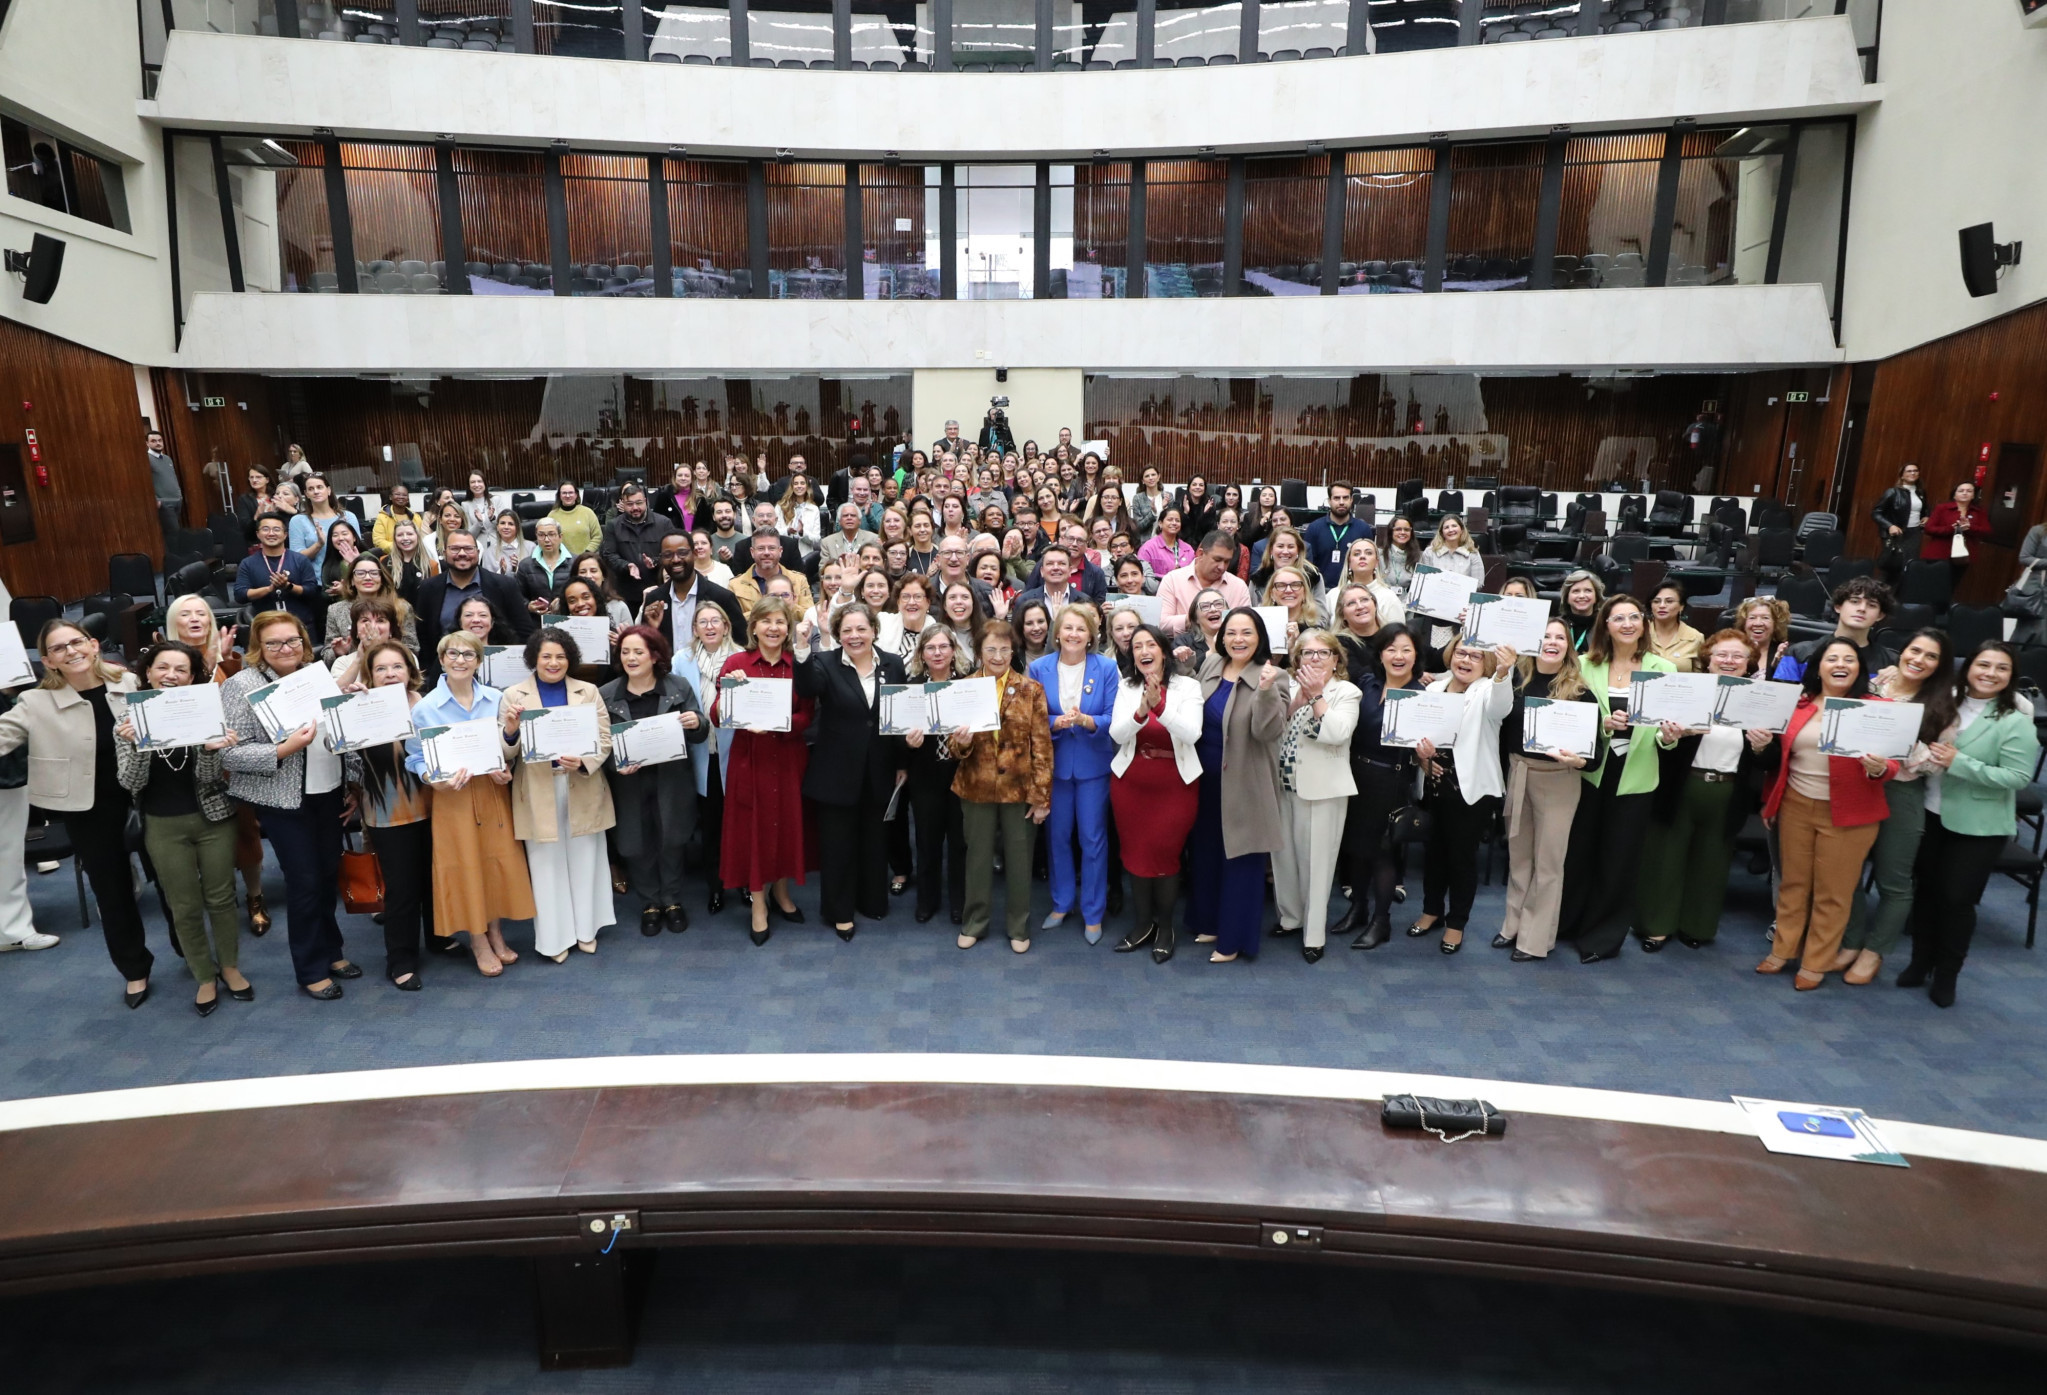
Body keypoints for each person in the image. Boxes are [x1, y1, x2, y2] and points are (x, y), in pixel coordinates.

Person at [0, 622, 148, 997]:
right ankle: (134, 968)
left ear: (94, 644)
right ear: (48, 661)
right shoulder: (34, 703)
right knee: (113, 893)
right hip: (88, 810)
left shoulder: (127, 684)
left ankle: (192, 957)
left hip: (146, 799)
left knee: (173, 887)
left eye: (76, 642)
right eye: (58, 648)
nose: (71, 651)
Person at [220, 612, 358, 1001]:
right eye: (274, 643)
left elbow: (340, 732)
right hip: (283, 800)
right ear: (258, 649)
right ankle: (310, 968)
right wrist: (283, 749)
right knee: (304, 883)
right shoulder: (241, 685)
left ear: (304, 642)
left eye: (293, 641)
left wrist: (353, 783)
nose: (286, 649)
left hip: (329, 789)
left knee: (329, 875)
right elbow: (231, 755)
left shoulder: (317, 676)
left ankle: (332, 953)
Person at [1901, 640, 2039, 1007]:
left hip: (1980, 825)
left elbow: (2017, 777)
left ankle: (1947, 975)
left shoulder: (2015, 719)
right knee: (1926, 891)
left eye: (2001, 668)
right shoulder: (1948, 700)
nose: (1990, 674)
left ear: (2011, 676)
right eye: (1984, 665)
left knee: (1957, 899)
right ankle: (1919, 962)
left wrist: (1959, 763)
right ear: (1969, 666)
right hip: (1930, 811)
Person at [1757, 638, 1897, 991]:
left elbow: (1894, 762)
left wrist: (1880, 767)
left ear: (1859, 668)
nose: (1840, 664)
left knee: (1833, 893)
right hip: (1796, 805)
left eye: (1849, 659)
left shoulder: (1875, 707)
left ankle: (1817, 961)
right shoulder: (1798, 705)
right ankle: (1783, 949)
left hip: (1851, 814)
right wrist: (1771, 802)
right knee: (1793, 883)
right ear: (1817, 667)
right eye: (1832, 658)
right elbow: (1780, 763)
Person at [117, 642, 249, 1010]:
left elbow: (209, 779)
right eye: (163, 668)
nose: (170, 676)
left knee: (222, 898)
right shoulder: (128, 720)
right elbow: (130, 783)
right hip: (162, 825)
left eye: (181, 670)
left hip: (213, 818)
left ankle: (230, 967)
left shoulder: (205, 712)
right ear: (147, 672)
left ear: (193, 677)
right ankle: (204, 976)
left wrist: (210, 750)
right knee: (184, 905)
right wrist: (139, 746)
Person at [1633, 630, 1773, 954]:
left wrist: (1763, 747)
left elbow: (1770, 758)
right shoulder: (1687, 692)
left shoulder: (1758, 700)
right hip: (1682, 787)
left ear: (1749, 663)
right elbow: (1663, 745)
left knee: (1711, 864)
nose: (1729, 661)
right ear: (1708, 660)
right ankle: (1656, 927)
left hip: (1727, 793)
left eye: (1737, 656)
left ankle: (1697, 926)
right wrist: (1670, 737)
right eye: (1722, 655)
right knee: (1666, 859)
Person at [406, 631, 535, 977]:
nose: (460, 660)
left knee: (495, 862)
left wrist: (505, 769)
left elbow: (507, 745)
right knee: (465, 865)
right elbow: (415, 759)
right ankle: (478, 939)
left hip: (492, 792)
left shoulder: (496, 699)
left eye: (468, 654)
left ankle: (495, 931)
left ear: (479, 661)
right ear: (442, 658)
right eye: (453, 653)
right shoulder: (426, 708)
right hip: (452, 797)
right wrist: (435, 780)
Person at [1558, 594, 1677, 964]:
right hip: (1591, 773)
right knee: (1579, 853)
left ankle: (1602, 937)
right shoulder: (1583, 665)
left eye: (1634, 617)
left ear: (1643, 624)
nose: (1627, 623)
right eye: (1618, 618)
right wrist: (1604, 727)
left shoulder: (1664, 669)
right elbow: (1569, 721)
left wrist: (1669, 738)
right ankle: (1569, 923)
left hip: (1636, 777)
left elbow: (1662, 732)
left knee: (1619, 859)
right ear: (1604, 626)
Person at [1836, 629, 1956, 984]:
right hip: (1858, 785)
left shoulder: (1943, 706)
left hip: (1901, 794)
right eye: (1914, 650)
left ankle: (1875, 951)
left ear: (1940, 665)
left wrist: (1901, 743)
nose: (1919, 660)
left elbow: (1935, 764)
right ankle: (1852, 942)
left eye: (1930, 656)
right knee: (1849, 872)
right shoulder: (1875, 685)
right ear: (1901, 652)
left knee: (1894, 880)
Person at [501, 629, 617, 963]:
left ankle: (586, 930)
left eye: (561, 656)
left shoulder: (588, 691)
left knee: (586, 857)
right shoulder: (514, 695)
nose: (554, 663)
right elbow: (506, 753)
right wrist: (510, 730)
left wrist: (584, 761)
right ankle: (554, 939)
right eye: (546, 656)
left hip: (581, 783)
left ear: (571, 659)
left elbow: (605, 738)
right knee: (546, 865)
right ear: (533, 659)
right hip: (538, 788)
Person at [795, 603, 906, 939]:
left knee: (875, 841)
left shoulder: (893, 663)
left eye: (861, 629)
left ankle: (872, 900)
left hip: (880, 769)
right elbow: (806, 688)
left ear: (874, 630)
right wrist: (802, 646)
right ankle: (839, 911)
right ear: (838, 635)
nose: (855, 636)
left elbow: (896, 718)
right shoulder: (825, 663)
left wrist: (902, 763)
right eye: (847, 630)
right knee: (838, 845)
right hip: (836, 771)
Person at [1189, 608, 1287, 964]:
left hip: (1245, 783)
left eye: (1246, 632)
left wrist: (1263, 692)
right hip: (1205, 778)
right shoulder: (1212, 665)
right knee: (1208, 854)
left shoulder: (1274, 677)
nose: (1238, 639)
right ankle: (1210, 922)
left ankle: (1233, 940)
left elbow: (1268, 732)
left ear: (1259, 637)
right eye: (1231, 632)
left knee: (1241, 861)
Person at [1406, 636, 1515, 954]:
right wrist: (1421, 756)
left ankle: (1456, 924)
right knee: (1434, 853)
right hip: (1435, 785)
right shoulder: (1433, 689)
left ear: (1487, 663)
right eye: (1460, 653)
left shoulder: (1488, 689)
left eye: (1475, 656)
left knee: (1461, 860)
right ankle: (1431, 911)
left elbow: (1501, 707)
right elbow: (1418, 734)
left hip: (1472, 790)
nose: (1465, 660)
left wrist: (1504, 673)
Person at [715, 597, 814, 945]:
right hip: (750, 760)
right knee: (755, 831)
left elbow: (808, 715)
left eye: (781, 621)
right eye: (766, 621)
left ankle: (783, 894)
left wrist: (782, 724)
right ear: (753, 626)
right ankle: (759, 905)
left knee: (786, 827)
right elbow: (717, 715)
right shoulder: (736, 663)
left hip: (788, 759)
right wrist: (733, 689)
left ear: (789, 629)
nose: (774, 628)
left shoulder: (796, 664)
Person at [951, 622, 1054, 952]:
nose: (997, 656)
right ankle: (975, 922)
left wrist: (1041, 796)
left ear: (1014, 652)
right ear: (980, 651)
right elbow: (954, 750)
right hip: (976, 787)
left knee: (1019, 861)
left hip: (1018, 789)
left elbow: (1042, 745)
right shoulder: (965, 687)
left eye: (1004, 650)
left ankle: (1018, 927)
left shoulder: (1031, 690)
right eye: (991, 649)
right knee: (977, 859)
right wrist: (961, 743)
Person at [600, 625, 706, 937]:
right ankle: (649, 903)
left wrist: (695, 721)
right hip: (628, 783)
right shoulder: (607, 694)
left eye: (638, 651)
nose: (631, 658)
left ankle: (672, 901)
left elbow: (700, 732)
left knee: (672, 839)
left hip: (671, 780)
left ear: (654, 655)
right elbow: (601, 746)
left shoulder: (677, 686)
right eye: (625, 652)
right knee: (635, 843)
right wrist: (614, 765)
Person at [1495, 619, 1592, 961]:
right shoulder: (1514, 678)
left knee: (1548, 863)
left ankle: (1534, 941)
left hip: (1558, 781)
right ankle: (1513, 924)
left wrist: (1579, 761)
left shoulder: (1579, 691)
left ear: (1569, 646)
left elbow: (1593, 757)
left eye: (1559, 638)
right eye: (1545, 636)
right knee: (1519, 856)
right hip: (1518, 771)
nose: (1552, 643)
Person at [1105, 623, 1201, 961]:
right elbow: (1117, 734)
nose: (1144, 651)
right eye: (1137, 646)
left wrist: (1160, 706)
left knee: (1165, 857)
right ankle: (1142, 924)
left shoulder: (1188, 686)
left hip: (1175, 786)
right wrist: (1142, 710)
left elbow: (1191, 734)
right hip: (1130, 786)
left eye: (1150, 644)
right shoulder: (1126, 686)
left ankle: (1165, 926)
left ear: (1163, 650)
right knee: (1135, 857)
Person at [347, 638, 436, 990]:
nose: (389, 673)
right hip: (388, 813)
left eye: (397, 666)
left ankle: (440, 938)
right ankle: (401, 959)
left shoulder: (426, 704)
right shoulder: (359, 705)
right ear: (370, 674)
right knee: (402, 889)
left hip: (434, 806)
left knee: (433, 880)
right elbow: (332, 745)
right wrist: (348, 706)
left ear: (410, 670)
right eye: (380, 668)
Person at [1268, 629, 1360, 962]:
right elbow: (1276, 726)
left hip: (1323, 790)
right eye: (1307, 653)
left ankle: (1314, 935)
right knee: (1285, 858)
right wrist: (1300, 695)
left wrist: (1317, 695)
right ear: (1297, 660)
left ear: (1337, 660)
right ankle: (1291, 918)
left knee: (1317, 865)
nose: (1316, 658)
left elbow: (1336, 734)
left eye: (1324, 653)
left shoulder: (1346, 692)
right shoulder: (1288, 686)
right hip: (1283, 785)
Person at [1030, 604, 1119, 945]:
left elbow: (1114, 717)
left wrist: (1086, 720)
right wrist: (1057, 722)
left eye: (1081, 629)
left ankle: (1093, 913)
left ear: (1091, 635)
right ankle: (1061, 903)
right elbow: (1032, 717)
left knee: (1093, 840)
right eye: (1067, 628)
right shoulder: (1039, 668)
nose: (1073, 635)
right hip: (1054, 766)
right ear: (1056, 634)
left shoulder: (1106, 668)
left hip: (1093, 766)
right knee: (1057, 837)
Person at [900, 626, 971, 926]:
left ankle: (959, 903)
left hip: (961, 775)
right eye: (931, 648)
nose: (938, 653)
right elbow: (895, 741)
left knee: (960, 843)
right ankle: (927, 901)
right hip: (925, 775)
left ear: (954, 651)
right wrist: (908, 743)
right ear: (921, 654)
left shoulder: (969, 687)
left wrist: (969, 740)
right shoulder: (910, 688)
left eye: (944, 647)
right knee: (927, 843)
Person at [680, 603, 742, 916]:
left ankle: (744, 883)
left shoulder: (742, 658)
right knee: (711, 825)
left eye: (715, 620)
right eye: (702, 622)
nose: (709, 626)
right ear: (694, 629)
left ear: (726, 626)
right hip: (701, 754)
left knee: (741, 823)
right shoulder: (681, 660)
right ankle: (715, 886)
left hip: (738, 752)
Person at [416, 529, 536, 674]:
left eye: (468, 549)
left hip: (497, 671)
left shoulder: (505, 585)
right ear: (444, 553)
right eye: (454, 549)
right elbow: (423, 636)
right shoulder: (428, 588)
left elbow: (524, 632)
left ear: (478, 553)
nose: (462, 553)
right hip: (446, 673)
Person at [637, 531, 748, 658]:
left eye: (682, 553)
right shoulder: (655, 599)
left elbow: (741, 645)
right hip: (667, 675)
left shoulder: (722, 597)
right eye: (668, 555)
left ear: (694, 554)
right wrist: (651, 629)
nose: (676, 559)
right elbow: (645, 648)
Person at [1771, 577, 1896, 681]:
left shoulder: (1892, 662)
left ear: (1880, 615)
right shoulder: (1798, 653)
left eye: (1872, 605)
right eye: (1854, 601)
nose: (1862, 609)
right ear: (1838, 607)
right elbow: (1781, 701)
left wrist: (1903, 678)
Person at [232, 512, 322, 632]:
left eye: (276, 529)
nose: (271, 533)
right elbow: (240, 595)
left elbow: (312, 591)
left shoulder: (300, 560)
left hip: (301, 625)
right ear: (258, 534)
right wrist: (268, 589)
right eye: (265, 529)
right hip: (265, 628)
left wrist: (288, 586)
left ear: (285, 535)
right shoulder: (248, 563)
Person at [326, 553, 417, 659]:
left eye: (374, 573)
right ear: (351, 580)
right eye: (360, 573)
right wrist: (338, 652)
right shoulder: (335, 610)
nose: (368, 577)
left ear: (382, 579)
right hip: (353, 669)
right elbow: (326, 654)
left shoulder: (401, 607)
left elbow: (412, 648)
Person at [1160, 532, 1253, 634]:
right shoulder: (1172, 580)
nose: (1222, 566)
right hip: (1182, 647)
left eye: (1227, 561)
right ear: (1200, 554)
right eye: (1217, 559)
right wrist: (1195, 619)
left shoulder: (1238, 586)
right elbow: (1161, 623)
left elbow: (1247, 625)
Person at [599, 482, 672, 611]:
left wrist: (655, 561)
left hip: (658, 589)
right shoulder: (613, 526)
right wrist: (627, 565)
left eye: (639, 503)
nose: (635, 508)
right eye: (630, 504)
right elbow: (608, 555)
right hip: (625, 592)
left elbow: (671, 552)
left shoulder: (663, 523)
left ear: (646, 501)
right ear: (623, 504)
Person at [729, 528, 816, 616]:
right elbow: (733, 622)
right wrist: (763, 609)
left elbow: (810, 617)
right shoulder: (735, 585)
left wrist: (790, 606)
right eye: (761, 548)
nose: (766, 553)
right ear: (752, 552)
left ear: (780, 551)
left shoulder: (799, 581)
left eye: (771, 548)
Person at [289, 475, 364, 575]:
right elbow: (296, 558)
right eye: (311, 489)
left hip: (346, 577)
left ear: (328, 490)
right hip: (314, 580)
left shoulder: (348, 517)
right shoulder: (298, 520)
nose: (316, 491)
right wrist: (319, 544)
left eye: (319, 487)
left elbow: (357, 549)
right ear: (306, 494)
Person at [1920, 480, 1990, 584]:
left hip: (1962, 556)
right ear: (1954, 495)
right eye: (1961, 491)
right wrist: (1950, 528)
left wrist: (1970, 527)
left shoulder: (1979, 512)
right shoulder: (1942, 508)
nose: (1965, 493)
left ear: (1973, 495)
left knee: (1951, 585)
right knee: (1930, 584)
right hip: (1939, 553)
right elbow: (1929, 529)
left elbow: (1987, 531)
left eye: (1969, 491)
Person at [1328, 538, 1407, 630]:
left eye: (1368, 553)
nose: (1362, 557)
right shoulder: (1332, 595)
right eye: (1357, 554)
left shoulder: (1389, 598)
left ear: (1377, 563)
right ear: (1349, 562)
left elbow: (1398, 637)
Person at [1301, 483, 1369, 590]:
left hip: (1353, 590)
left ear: (1351, 500)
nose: (1341, 502)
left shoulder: (1363, 529)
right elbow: (1307, 565)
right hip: (1321, 591)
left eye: (1345, 498)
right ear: (1329, 501)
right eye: (1337, 498)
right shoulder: (1314, 528)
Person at [1871, 462, 1926, 581]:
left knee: (1909, 567)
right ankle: (1879, 595)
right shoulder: (1892, 492)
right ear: (1902, 475)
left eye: (1915, 471)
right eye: (1909, 471)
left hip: (1914, 533)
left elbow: (1925, 511)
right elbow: (1876, 512)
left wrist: (1926, 517)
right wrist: (1890, 526)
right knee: (1891, 568)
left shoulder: (1920, 492)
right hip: (1897, 534)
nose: (1913, 473)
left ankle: (1899, 598)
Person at [1644, 580, 1703, 671]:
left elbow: (1700, 676)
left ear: (1681, 606)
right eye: (1656, 601)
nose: (1662, 605)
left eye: (1669, 601)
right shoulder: (1640, 633)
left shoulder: (1695, 637)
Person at [518, 518, 578, 606]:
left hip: (568, 616)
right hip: (536, 618)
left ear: (560, 537)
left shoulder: (575, 562)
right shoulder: (525, 565)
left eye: (551, 534)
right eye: (541, 535)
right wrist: (528, 606)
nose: (546, 539)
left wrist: (564, 602)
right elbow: (519, 597)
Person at [1734, 596, 1791, 677]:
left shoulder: (1786, 653)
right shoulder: (1730, 649)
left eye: (1765, 618)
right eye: (1752, 618)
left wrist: (1777, 667)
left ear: (1776, 624)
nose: (1758, 623)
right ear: (1744, 623)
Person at [146, 429, 183, 542]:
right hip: (164, 503)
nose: (158, 443)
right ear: (147, 443)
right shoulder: (147, 459)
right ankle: (175, 559)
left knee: (178, 533)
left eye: (160, 440)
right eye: (153, 441)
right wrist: (156, 500)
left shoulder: (167, 458)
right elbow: (147, 483)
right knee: (173, 534)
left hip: (177, 501)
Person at [547, 481, 602, 556]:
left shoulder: (588, 512)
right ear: (559, 496)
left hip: (585, 558)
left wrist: (586, 553)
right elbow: (548, 538)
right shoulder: (552, 515)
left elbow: (597, 536)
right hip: (561, 559)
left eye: (571, 492)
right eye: (564, 493)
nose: (567, 495)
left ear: (576, 495)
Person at [370, 484, 430, 553]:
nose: (401, 497)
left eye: (404, 495)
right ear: (390, 497)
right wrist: (401, 548)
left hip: (414, 554)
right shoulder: (382, 517)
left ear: (408, 499)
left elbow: (422, 538)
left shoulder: (416, 517)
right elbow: (378, 541)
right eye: (397, 494)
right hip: (391, 556)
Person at [1138, 506, 1193, 579]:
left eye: (1177, 520)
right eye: (1170, 520)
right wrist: (1170, 577)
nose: (1174, 523)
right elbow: (1142, 574)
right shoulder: (1148, 548)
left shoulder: (1188, 549)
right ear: (1160, 523)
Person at [1557, 569, 1605, 653]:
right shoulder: (1556, 626)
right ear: (1567, 598)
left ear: (1596, 597)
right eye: (1576, 591)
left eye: (1588, 590)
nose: (1582, 596)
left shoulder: (1605, 626)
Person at [234, 464, 276, 542]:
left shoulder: (276, 496)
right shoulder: (244, 499)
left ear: (267, 480)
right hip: (257, 540)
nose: (254, 480)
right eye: (251, 477)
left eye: (258, 477)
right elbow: (244, 527)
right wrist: (256, 517)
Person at [1380, 514, 1421, 593]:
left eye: (1406, 530)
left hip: (1407, 601)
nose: (1402, 532)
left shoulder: (1419, 556)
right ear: (1391, 532)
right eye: (1398, 529)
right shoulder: (1379, 555)